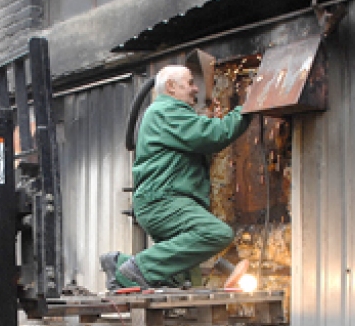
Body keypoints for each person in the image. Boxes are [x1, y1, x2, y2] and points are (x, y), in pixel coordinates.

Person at [101, 65, 251, 290]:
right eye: (190, 82)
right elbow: (214, 135)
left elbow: (203, 141)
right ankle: (132, 268)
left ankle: (119, 264)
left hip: (165, 202)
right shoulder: (166, 110)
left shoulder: (168, 114)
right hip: (164, 201)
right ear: (171, 86)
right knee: (216, 233)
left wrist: (212, 121)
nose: (196, 88)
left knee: (185, 281)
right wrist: (249, 106)